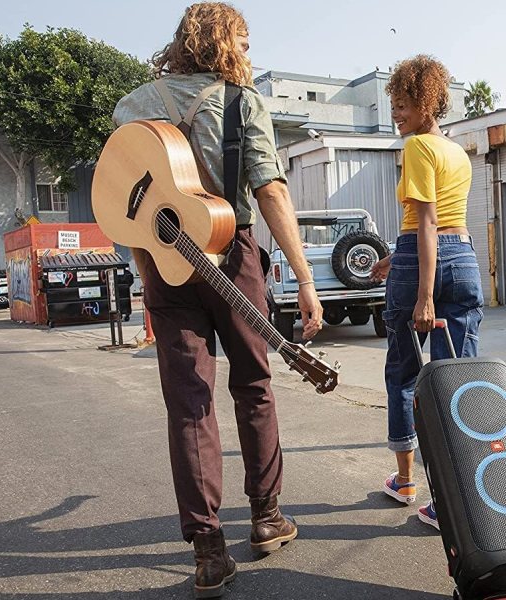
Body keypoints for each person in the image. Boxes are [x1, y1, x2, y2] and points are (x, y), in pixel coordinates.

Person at [111, 3, 324, 597]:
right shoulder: (240, 101)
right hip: (232, 254)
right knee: (253, 385)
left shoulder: (134, 105)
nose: (249, 53)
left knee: (189, 402)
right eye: (245, 41)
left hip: (163, 263)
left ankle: (208, 550)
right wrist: (305, 277)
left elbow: (124, 201)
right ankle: (265, 518)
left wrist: (145, 267)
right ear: (225, 42)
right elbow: (271, 190)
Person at [370, 55, 484, 531]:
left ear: (426, 103)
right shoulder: (457, 151)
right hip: (463, 260)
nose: (396, 114)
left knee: (405, 375)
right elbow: (447, 226)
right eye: (393, 105)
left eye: (403, 104)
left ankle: (407, 482)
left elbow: (428, 222)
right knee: (458, 381)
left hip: (427, 264)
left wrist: (423, 295)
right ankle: (458, 497)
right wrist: (394, 256)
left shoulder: (417, 147)